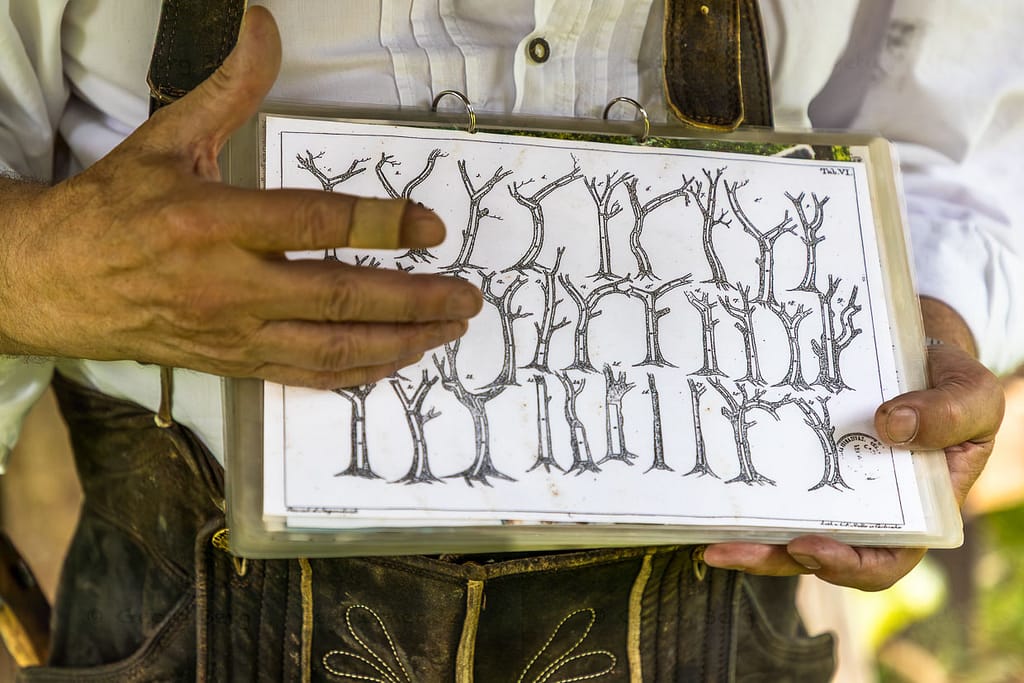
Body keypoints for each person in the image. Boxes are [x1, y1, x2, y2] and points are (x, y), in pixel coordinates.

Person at [0, 1, 1016, 679]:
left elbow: (945, 139)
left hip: (724, 614)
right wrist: (36, 264)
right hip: (183, 612)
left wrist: (925, 321)